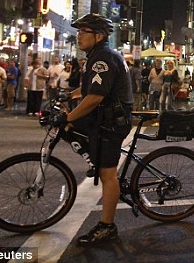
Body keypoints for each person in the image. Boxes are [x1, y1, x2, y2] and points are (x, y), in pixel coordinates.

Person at [61, 13, 133, 245]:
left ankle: (107, 227)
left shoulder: (102, 59)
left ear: (99, 36)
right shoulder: (98, 56)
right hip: (105, 119)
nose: (79, 36)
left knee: (108, 175)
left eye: (84, 31)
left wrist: (69, 116)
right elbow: (89, 89)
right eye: (78, 31)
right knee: (73, 126)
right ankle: (95, 158)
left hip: (113, 123)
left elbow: (94, 97)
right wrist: (67, 96)